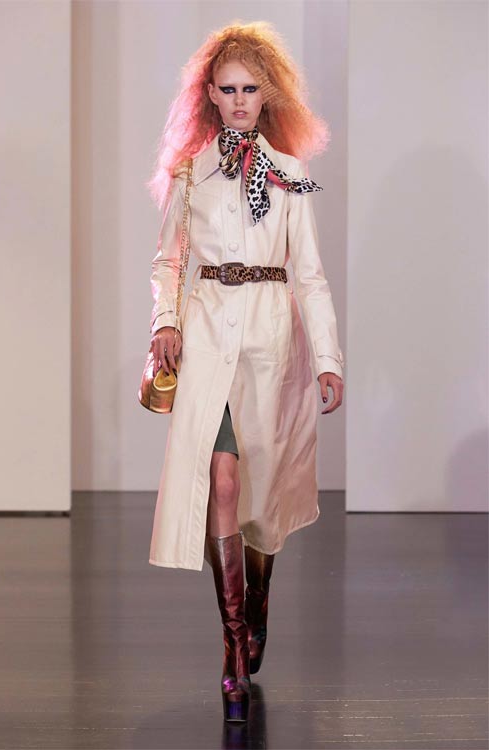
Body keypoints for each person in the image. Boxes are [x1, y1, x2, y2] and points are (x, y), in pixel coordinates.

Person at [145, 21, 344, 723]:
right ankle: (233, 644)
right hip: (206, 337)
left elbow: (310, 276)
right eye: (226, 89)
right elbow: (169, 260)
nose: (238, 101)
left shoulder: (289, 177)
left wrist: (328, 359)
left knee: (260, 503)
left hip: (270, 343)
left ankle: (257, 595)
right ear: (209, 94)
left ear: (267, 95)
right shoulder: (189, 175)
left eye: (249, 90)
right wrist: (164, 323)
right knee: (222, 483)